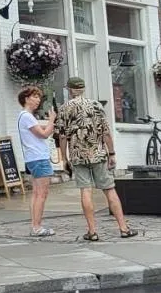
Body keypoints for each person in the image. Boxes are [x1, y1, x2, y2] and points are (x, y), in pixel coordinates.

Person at [53, 76, 138, 241]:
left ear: (69, 90)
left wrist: (64, 158)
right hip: (98, 154)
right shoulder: (96, 105)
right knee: (109, 189)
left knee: (86, 190)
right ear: (83, 89)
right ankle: (123, 228)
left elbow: (62, 137)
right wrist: (111, 153)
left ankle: (92, 232)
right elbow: (106, 132)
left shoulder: (64, 109)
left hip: (78, 155)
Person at [18, 86, 57, 237]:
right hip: (39, 158)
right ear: (26, 99)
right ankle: (37, 227)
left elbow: (39, 129)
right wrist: (52, 120)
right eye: (35, 97)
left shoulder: (24, 116)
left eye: (39, 97)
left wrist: (50, 124)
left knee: (36, 193)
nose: (38, 100)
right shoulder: (27, 116)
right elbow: (44, 134)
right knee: (42, 194)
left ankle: (35, 225)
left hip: (32, 158)